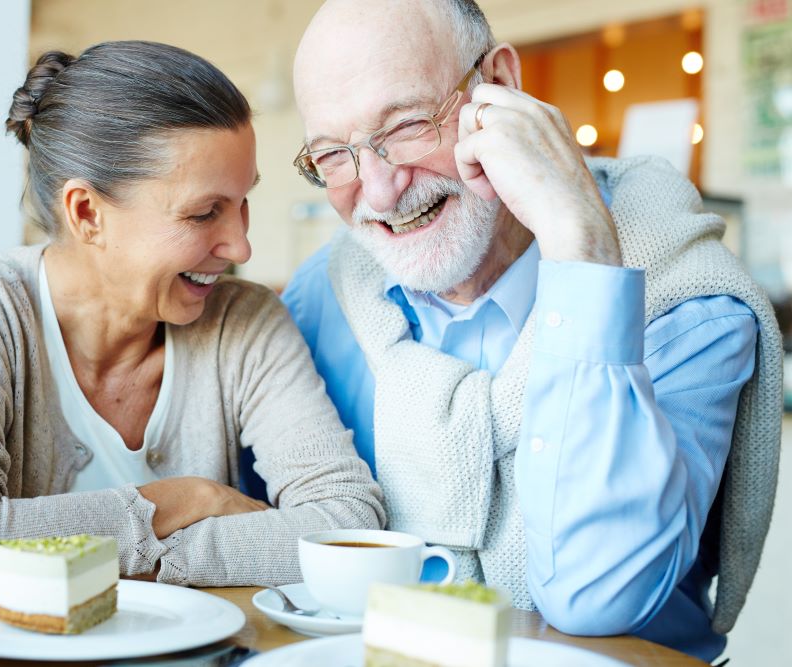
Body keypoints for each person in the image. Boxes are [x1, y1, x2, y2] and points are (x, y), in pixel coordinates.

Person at [281, 0, 782, 661]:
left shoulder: (684, 297)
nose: (377, 190)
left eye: (405, 127)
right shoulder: (319, 300)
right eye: (333, 155)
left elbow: (600, 595)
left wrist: (584, 255)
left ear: (500, 85)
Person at [0, 40, 385, 591]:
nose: (241, 247)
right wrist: (184, 500)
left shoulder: (244, 323)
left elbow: (350, 527)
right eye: (204, 213)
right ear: (88, 214)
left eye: (243, 201)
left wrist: (146, 557)